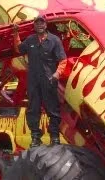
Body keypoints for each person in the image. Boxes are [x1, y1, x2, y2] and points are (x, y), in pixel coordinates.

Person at [13, 15, 67, 147]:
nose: (40, 25)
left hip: (49, 80)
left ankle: (54, 137)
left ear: (46, 25)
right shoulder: (30, 40)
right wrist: (16, 33)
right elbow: (18, 49)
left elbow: (63, 60)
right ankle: (35, 137)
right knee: (33, 109)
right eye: (37, 23)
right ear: (34, 26)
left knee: (52, 110)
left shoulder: (54, 40)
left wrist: (56, 74)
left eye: (42, 23)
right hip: (33, 81)